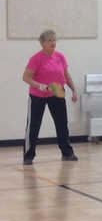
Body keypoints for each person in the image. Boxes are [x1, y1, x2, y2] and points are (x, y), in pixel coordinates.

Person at [22, 29, 78, 165]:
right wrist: (39, 85)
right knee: (34, 125)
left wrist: (74, 90)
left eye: (54, 40)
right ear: (42, 43)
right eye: (49, 40)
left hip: (57, 91)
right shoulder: (36, 59)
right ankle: (28, 156)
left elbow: (66, 75)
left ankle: (67, 153)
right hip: (38, 94)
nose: (53, 43)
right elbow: (26, 77)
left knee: (62, 124)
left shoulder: (60, 57)